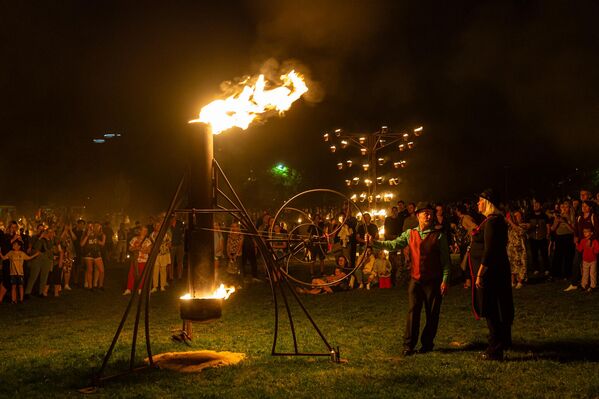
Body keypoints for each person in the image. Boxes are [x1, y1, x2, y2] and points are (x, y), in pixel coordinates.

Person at [371, 202, 451, 356]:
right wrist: (375, 243)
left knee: (432, 314)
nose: (428, 216)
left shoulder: (439, 235)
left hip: (433, 281)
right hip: (416, 280)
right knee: (413, 312)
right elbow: (394, 244)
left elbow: (446, 261)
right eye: (424, 213)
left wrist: (445, 280)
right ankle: (408, 345)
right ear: (418, 215)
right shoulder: (410, 233)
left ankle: (427, 344)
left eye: (430, 213)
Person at [470, 189, 514, 361]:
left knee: (491, 308)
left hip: (491, 273)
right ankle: (503, 341)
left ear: (488, 203)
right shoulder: (495, 221)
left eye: (480, 201)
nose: (477, 204)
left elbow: (489, 250)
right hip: (497, 270)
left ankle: (494, 349)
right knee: (499, 306)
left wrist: (480, 274)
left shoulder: (492, 223)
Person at [123, 226, 152, 295]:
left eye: (146, 231)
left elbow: (149, 251)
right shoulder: (134, 239)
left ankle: (140, 288)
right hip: (135, 260)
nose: (145, 232)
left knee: (142, 274)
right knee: (131, 273)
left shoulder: (148, 240)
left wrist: (142, 249)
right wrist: (136, 248)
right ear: (140, 231)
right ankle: (129, 288)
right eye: (144, 230)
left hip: (143, 260)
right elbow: (130, 248)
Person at [527, 200, 551, 279]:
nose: (535, 206)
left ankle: (546, 269)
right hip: (533, 238)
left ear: (540, 206)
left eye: (537, 205)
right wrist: (528, 232)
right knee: (534, 254)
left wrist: (548, 234)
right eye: (534, 205)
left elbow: (548, 226)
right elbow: (527, 225)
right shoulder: (530, 215)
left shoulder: (544, 216)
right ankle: (536, 269)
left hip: (542, 237)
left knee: (544, 254)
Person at [506, 210, 528, 289]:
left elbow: (520, 231)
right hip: (511, 249)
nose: (515, 217)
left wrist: (510, 221)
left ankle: (520, 281)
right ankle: (513, 281)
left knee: (521, 265)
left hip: (520, 249)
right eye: (514, 216)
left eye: (517, 216)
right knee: (512, 265)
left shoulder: (524, 225)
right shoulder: (510, 226)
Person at [575, 227, 598, 292]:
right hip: (585, 260)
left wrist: (593, 248)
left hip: (593, 260)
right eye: (584, 232)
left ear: (591, 233)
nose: (585, 233)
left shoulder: (595, 241)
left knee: (592, 274)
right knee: (585, 273)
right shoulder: (583, 241)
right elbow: (580, 249)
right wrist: (576, 244)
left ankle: (593, 286)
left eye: (587, 232)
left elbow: (597, 251)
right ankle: (583, 285)